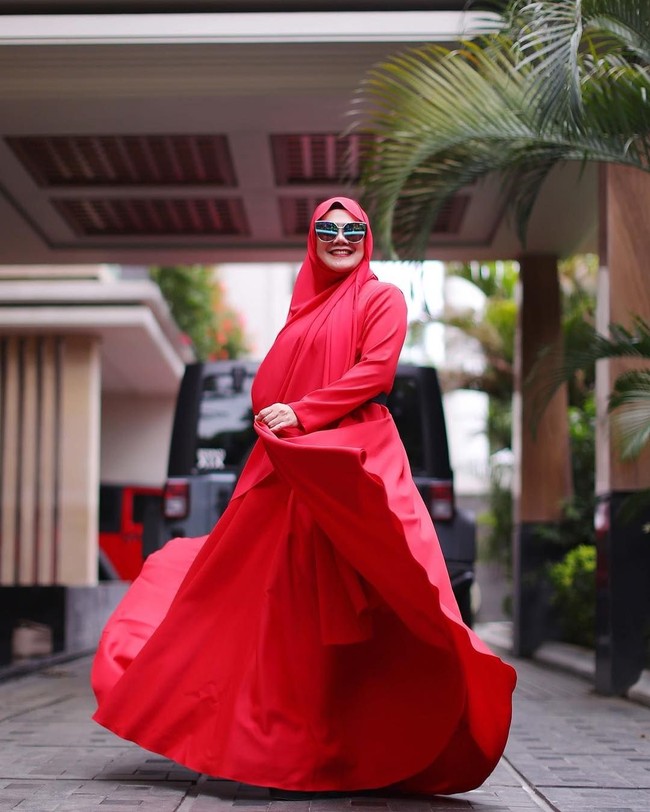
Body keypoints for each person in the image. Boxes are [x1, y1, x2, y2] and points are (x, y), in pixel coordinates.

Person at [91, 196, 516, 797]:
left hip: (346, 468)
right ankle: (273, 745)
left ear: (365, 239)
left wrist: (303, 412)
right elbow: (273, 389)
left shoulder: (380, 298)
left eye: (351, 229)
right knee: (265, 607)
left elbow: (376, 372)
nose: (339, 237)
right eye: (327, 228)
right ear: (312, 238)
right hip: (286, 473)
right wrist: (284, 420)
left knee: (360, 605)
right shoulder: (301, 309)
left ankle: (344, 745)